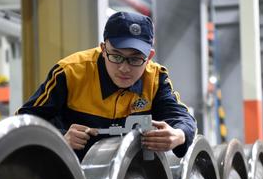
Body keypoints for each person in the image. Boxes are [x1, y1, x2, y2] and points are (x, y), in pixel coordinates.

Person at [17, 11, 197, 160]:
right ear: (103, 49)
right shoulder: (70, 72)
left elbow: (181, 117)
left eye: (135, 59)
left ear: (149, 57)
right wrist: (60, 137)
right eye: (116, 56)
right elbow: (24, 121)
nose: (124, 68)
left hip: (131, 175)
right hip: (73, 172)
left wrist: (178, 135)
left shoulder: (156, 79)